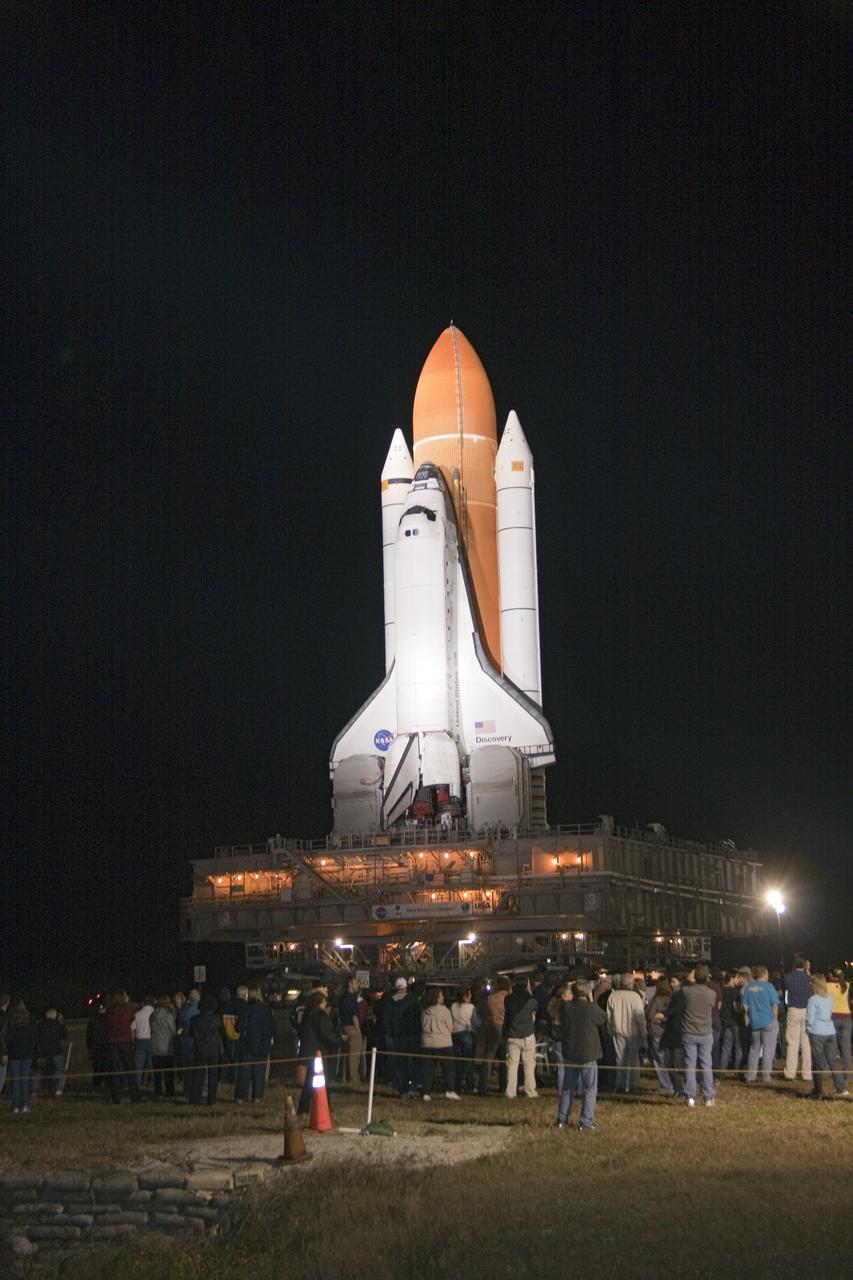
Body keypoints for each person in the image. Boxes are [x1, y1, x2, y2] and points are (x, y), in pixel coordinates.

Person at [557, 979, 607, 1131]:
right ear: (587, 992)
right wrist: (592, 999)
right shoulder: (591, 1008)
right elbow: (603, 1018)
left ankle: (562, 1119)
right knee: (590, 1089)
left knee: (567, 1088)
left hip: (571, 1052)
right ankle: (585, 1122)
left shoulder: (566, 1008)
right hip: (588, 1053)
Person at [677, 963, 717, 1108]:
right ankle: (709, 1097)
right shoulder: (711, 993)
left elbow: (679, 993)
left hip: (689, 1032)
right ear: (707, 977)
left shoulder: (686, 991)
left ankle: (690, 1097)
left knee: (690, 1065)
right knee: (706, 1064)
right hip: (705, 1032)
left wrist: (688, 980)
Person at [297, 990, 342, 1115]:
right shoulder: (319, 1016)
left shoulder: (307, 1015)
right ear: (320, 1003)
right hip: (318, 1053)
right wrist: (338, 1040)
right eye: (324, 1002)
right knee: (323, 1080)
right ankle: (324, 1107)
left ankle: (304, 1108)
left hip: (308, 1052)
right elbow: (326, 1033)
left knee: (310, 1082)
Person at [806, 974, 850, 1099]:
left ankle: (818, 1091)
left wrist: (808, 1029)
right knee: (833, 1061)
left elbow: (810, 1018)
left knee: (817, 1062)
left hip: (817, 1032)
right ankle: (841, 1088)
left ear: (814, 985)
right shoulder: (829, 998)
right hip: (830, 1032)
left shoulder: (813, 999)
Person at [380, 977, 421, 1099]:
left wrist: (390, 1033)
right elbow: (419, 1016)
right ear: (405, 987)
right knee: (414, 1062)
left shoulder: (388, 1002)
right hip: (412, 1036)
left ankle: (403, 1090)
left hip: (396, 1037)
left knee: (400, 1064)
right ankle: (415, 1085)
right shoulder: (412, 1000)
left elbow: (385, 1020)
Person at [606, 973, 646, 1093]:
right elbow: (640, 1018)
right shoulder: (635, 997)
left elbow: (609, 1016)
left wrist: (610, 1030)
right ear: (630, 984)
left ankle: (620, 1084)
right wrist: (643, 1032)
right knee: (633, 1060)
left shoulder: (613, 996)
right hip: (633, 1033)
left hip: (618, 1032)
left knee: (620, 1060)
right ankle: (632, 1085)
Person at [741, 966, 781, 1085]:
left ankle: (751, 1076)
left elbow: (745, 1006)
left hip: (755, 1022)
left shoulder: (748, 987)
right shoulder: (769, 987)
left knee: (754, 1050)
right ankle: (766, 1077)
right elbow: (775, 1006)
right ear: (764, 974)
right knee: (768, 1050)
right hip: (768, 1022)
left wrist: (751, 1015)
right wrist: (774, 1019)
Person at [502, 977, 538, 1099]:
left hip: (513, 1036)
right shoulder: (531, 1000)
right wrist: (530, 992)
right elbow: (535, 1011)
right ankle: (530, 1091)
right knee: (529, 1065)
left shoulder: (508, 999)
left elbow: (507, 1017)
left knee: (512, 1066)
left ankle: (510, 1092)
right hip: (528, 1035)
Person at [420, 988, 458, 1100]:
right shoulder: (444, 1011)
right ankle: (450, 1090)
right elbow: (450, 1026)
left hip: (426, 1042)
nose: (443, 997)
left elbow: (422, 1025)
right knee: (448, 1068)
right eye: (441, 996)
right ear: (436, 998)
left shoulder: (424, 1012)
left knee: (428, 1069)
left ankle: (426, 1092)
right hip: (443, 1043)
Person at [240, 987, 275, 1103]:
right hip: (263, 1045)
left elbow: (239, 1026)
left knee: (245, 1072)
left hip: (248, 1044)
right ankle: (257, 1096)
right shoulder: (267, 1009)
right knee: (260, 1072)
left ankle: (242, 1096)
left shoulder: (246, 1009)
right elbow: (272, 1027)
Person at [646, 978, 679, 1096]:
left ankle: (667, 1086)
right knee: (668, 1061)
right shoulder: (672, 999)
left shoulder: (656, 1000)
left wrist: (658, 1020)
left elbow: (650, 1015)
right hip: (668, 1033)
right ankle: (673, 1085)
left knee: (659, 1061)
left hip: (657, 1032)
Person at [189, 992, 224, 1105]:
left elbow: (191, 1033)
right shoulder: (217, 1018)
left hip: (199, 1048)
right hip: (213, 1049)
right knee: (212, 1076)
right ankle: (211, 1099)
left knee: (198, 1075)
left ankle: (195, 1099)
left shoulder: (194, 1019)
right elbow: (221, 1032)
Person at [783, 953, 813, 1084]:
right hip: (806, 1010)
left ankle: (790, 1072)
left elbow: (785, 992)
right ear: (804, 965)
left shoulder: (787, 978)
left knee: (792, 1042)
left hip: (793, 1009)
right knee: (806, 1043)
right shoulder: (808, 978)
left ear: (794, 965)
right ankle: (807, 1074)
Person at [478, 977, 511, 1095]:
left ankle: (483, 1085)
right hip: (504, 1027)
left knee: (488, 1056)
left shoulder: (491, 998)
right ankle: (503, 1086)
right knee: (504, 1059)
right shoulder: (509, 998)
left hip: (492, 1026)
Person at [107, 991, 140, 1103]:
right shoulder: (128, 1010)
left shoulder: (110, 1011)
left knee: (115, 1071)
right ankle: (134, 1097)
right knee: (130, 1070)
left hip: (113, 1042)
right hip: (125, 1041)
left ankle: (116, 1097)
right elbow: (132, 1020)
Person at [7, 1000, 38, 1115]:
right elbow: (33, 1039)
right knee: (25, 1080)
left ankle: (15, 1106)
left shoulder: (11, 1021)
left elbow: (8, 1039)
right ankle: (25, 1105)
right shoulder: (31, 1020)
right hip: (27, 1054)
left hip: (14, 1054)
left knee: (16, 1081)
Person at [450, 985, 479, 1095]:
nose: (471, 996)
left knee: (458, 1062)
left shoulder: (453, 1006)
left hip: (455, 1034)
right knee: (468, 1062)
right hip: (467, 1034)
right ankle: (469, 1086)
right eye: (469, 994)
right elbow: (475, 1022)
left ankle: (457, 1085)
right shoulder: (471, 1007)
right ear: (465, 996)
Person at [826, 968, 852, 1085]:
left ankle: (827, 1073)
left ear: (831, 974)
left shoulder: (827, 986)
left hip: (833, 1017)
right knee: (846, 1048)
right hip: (846, 1018)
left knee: (830, 1047)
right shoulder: (846, 984)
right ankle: (849, 1075)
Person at [36, 1008, 68, 1098]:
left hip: (43, 1052)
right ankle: (57, 1089)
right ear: (55, 1016)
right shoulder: (57, 1024)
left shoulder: (39, 1025)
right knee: (59, 1070)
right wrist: (62, 1023)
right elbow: (64, 1035)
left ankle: (39, 1089)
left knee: (43, 1071)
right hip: (56, 1051)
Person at [338, 976, 363, 1085]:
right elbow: (354, 1016)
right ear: (350, 984)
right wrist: (358, 1031)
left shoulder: (343, 997)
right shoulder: (351, 998)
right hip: (352, 1027)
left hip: (344, 1027)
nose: (358, 985)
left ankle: (345, 1078)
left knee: (347, 1054)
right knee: (355, 1055)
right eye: (356, 983)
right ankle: (354, 1079)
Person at [150, 995, 177, 1098]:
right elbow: (173, 1031)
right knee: (168, 1072)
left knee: (157, 1073)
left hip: (155, 1046)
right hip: (166, 1048)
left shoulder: (153, 1015)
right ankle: (169, 1092)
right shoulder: (168, 1016)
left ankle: (158, 1091)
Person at [177, 988, 200, 1093]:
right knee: (197, 1067)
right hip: (196, 1041)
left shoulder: (185, 1009)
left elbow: (181, 1022)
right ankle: (196, 1089)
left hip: (185, 1040)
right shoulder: (199, 1008)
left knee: (187, 1067)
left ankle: (187, 1089)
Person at [131, 995, 155, 1092]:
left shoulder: (137, 1014)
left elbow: (132, 1028)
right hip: (151, 1040)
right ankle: (153, 1083)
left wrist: (133, 1042)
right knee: (152, 1064)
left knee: (138, 1065)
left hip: (140, 1041)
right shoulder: (154, 1012)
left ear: (142, 1003)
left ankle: (136, 1084)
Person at [0, 992, 10, 1097]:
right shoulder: (3, 1016)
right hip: (1, 1052)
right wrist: (4, 1053)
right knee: (1, 1076)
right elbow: (2, 1036)